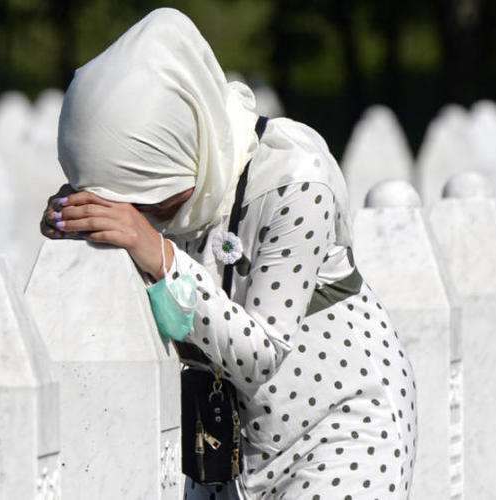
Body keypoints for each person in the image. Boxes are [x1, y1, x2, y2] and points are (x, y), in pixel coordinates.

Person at [40, 8, 417, 499]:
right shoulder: (174, 193)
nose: (141, 216)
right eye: (120, 202)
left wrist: (155, 251)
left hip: (341, 434)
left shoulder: (296, 181)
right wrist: (79, 227)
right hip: (226, 448)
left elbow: (262, 354)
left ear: (182, 148)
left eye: (146, 198)